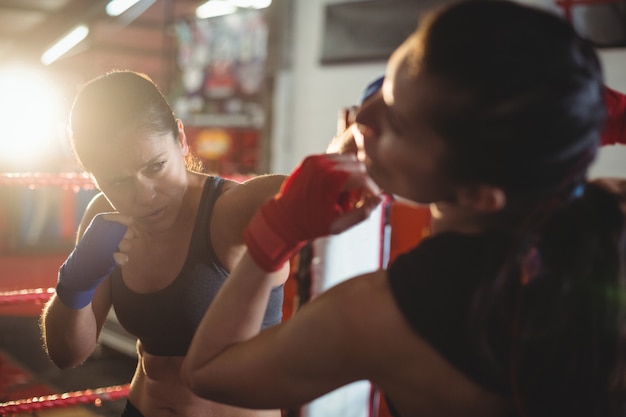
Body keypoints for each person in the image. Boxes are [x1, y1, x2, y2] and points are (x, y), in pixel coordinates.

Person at [181, 1, 626, 416]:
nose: (363, 118)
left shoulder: (379, 314)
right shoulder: (610, 220)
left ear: (478, 192)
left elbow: (209, 371)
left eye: (395, 119)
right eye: (388, 84)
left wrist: (275, 232)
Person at [39, 70, 288, 417]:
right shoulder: (104, 215)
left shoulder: (230, 210)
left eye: (156, 166)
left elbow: (314, 189)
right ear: (91, 175)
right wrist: (75, 283)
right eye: (119, 181)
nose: (145, 194)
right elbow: (67, 354)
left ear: (181, 138)